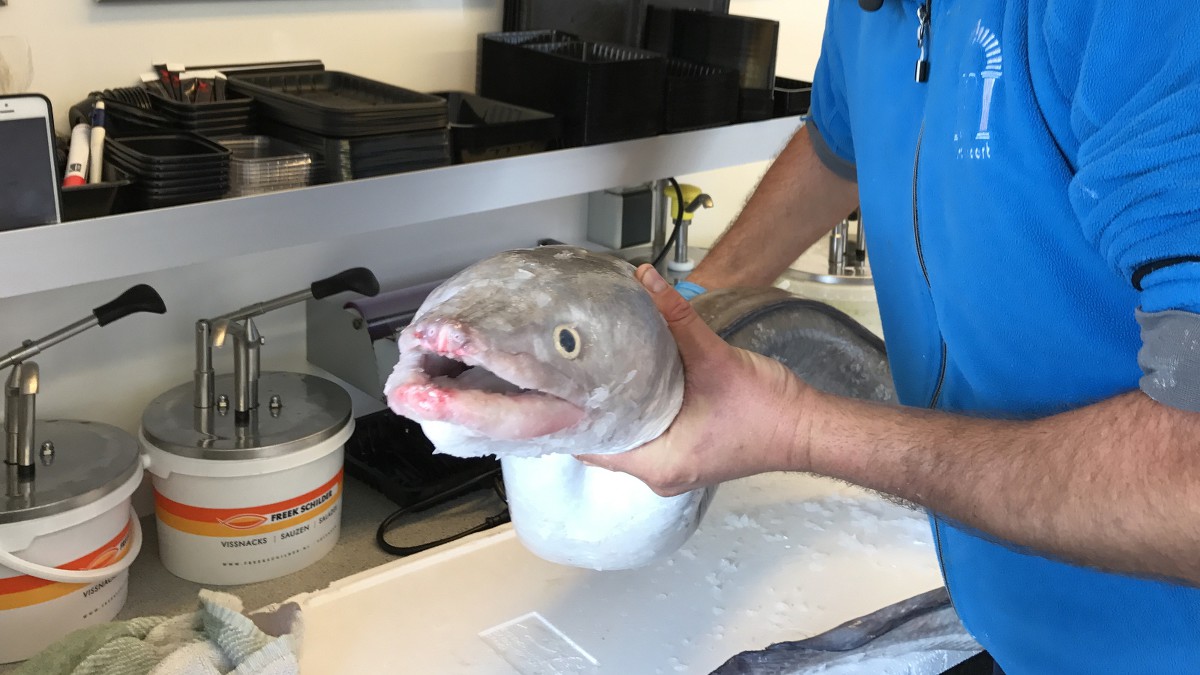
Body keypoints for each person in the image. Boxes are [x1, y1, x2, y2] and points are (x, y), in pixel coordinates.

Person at [578, 1, 1200, 672]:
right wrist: (692, 304)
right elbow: (839, 142)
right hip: (1016, 625)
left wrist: (804, 432)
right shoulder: (869, 9)